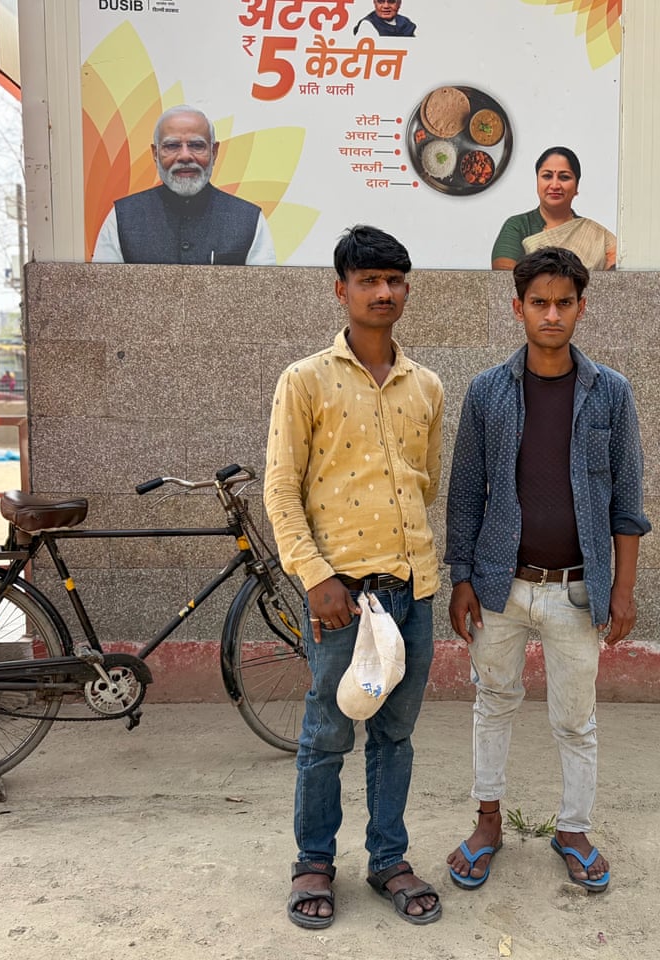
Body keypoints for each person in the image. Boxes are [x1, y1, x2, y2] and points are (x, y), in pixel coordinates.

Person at [443, 246, 650, 893]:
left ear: (581, 308)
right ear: (518, 308)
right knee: (493, 704)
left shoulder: (610, 394)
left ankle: (574, 828)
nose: (552, 314)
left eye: (564, 303)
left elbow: (627, 501)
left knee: (575, 718)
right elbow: (466, 489)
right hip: (502, 584)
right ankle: (487, 822)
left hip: (576, 592)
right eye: (540, 303)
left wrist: (622, 588)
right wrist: (462, 578)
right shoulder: (488, 392)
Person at [264, 225, 444, 929]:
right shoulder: (304, 380)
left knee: (395, 736)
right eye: (368, 280)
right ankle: (313, 861)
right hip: (341, 597)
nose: (383, 292)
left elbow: (422, 487)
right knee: (328, 735)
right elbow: (282, 490)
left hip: (413, 591)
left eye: (395, 280)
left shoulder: (425, 385)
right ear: (341, 290)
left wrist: (409, 574)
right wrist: (315, 577)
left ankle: (388, 858)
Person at [92, 105, 275, 265]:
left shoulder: (250, 220)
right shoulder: (121, 218)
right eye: (172, 146)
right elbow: (103, 297)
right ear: (155, 153)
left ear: (214, 151)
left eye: (196, 145)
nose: (185, 156)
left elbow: (263, 299)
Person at [491, 146, 616, 273]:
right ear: (537, 182)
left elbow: (616, 282)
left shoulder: (598, 236)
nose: (555, 185)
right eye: (547, 176)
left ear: (576, 186)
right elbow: (504, 281)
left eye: (564, 177)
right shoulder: (518, 226)